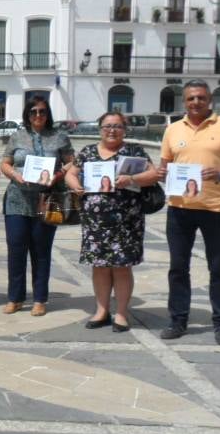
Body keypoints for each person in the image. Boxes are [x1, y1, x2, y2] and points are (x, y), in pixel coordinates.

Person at [158, 80, 220, 346]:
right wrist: (163, 173)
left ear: (209, 100)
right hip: (180, 209)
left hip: (216, 209)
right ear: (184, 101)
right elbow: (164, 166)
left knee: (218, 268)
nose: (195, 102)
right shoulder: (173, 129)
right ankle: (178, 320)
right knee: (178, 268)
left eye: (200, 98)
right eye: (190, 98)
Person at [65, 112, 158, 333]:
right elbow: (71, 173)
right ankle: (101, 310)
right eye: (107, 126)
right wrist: (75, 185)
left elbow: (154, 175)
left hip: (127, 221)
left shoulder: (134, 151)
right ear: (100, 129)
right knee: (99, 267)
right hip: (95, 222)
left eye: (117, 126)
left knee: (122, 268)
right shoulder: (88, 151)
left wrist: (132, 179)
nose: (112, 130)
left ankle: (122, 313)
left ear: (124, 129)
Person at [0, 98, 74, 317]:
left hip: (48, 199)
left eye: (42, 111)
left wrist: (58, 175)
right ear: (27, 114)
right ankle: (15, 297)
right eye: (33, 112)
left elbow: (72, 162)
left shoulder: (59, 137)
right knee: (16, 249)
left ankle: (40, 298)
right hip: (17, 199)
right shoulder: (17, 136)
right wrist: (15, 175)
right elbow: (5, 162)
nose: (38, 115)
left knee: (41, 251)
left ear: (48, 113)